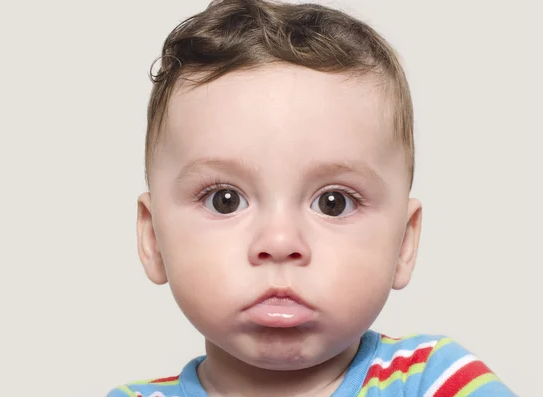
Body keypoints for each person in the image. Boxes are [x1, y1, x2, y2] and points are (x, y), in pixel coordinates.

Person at [108, 0, 516, 395]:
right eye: (225, 199)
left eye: (333, 202)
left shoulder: (436, 382)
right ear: (153, 239)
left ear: (404, 243)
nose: (280, 243)